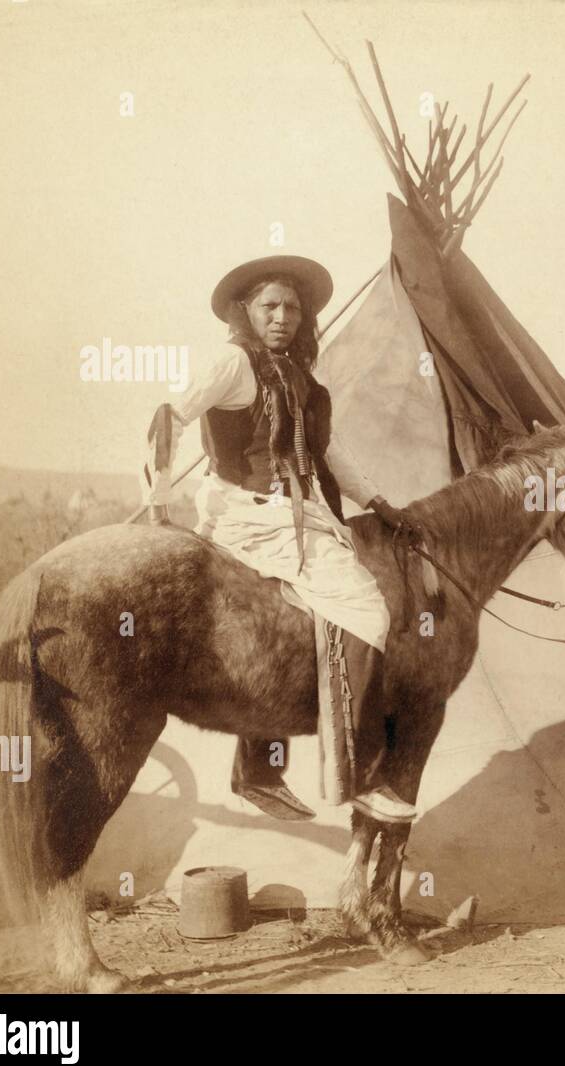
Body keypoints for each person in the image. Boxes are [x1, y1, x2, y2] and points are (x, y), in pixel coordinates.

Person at [144, 254, 420, 825]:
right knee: (367, 611)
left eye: (293, 307)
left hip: (298, 515)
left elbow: (329, 452)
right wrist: (159, 504)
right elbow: (168, 418)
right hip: (251, 515)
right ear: (246, 309)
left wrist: (377, 503)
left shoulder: (297, 375)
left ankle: (260, 772)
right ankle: (362, 776)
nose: (283, 316)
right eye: (270, 305)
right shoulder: (233, 362)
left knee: (295, 627)